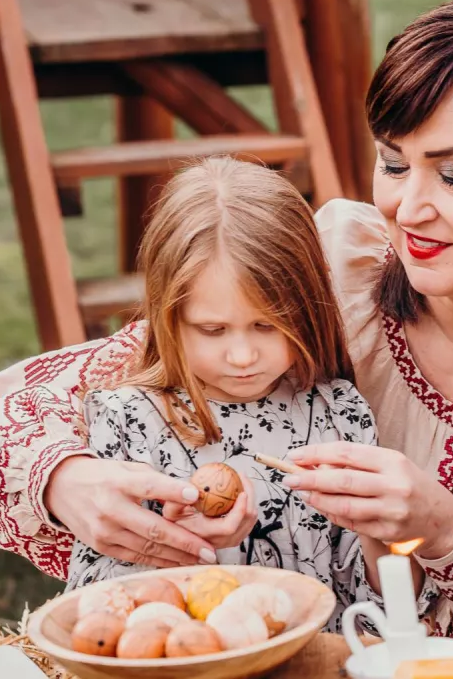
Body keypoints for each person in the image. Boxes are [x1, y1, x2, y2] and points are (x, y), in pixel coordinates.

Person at [0, 0, 453, 654]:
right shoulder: (329, 279)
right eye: (393, 163)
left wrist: (447, 529)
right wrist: (67, 479)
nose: (407, 207)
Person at [62, 158, 383, 630]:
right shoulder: (131, 421)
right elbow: (96, 608)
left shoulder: (339, 414)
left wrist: (386, 528)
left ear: (308, 307)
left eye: (266, 325)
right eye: (212, 329)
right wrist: (175, 547)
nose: (241, 355)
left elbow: (369, 596)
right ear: (167, 317)